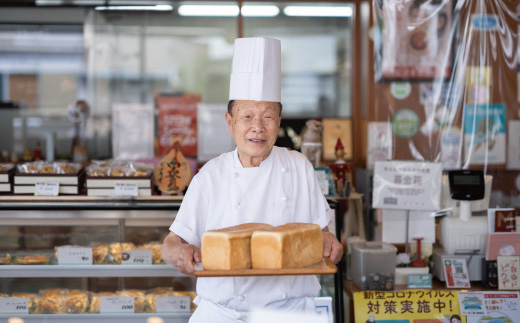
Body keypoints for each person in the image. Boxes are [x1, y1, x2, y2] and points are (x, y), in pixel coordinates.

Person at [161, 37, 343, 323]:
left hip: (290, 313)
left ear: (279, 121)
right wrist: (180, 252)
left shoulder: (298, 166)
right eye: (247, 116)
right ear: (230, 122)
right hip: (223, 313)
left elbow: (320, 233)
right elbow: (171, 243)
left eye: (267, 117)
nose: (257, 127)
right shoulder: (211, 175)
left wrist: (330, 241)